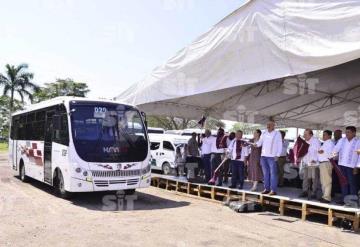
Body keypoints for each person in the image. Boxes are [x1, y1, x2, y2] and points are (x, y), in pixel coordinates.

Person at [332, 126, 359, 205]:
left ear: (354, 133)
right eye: (346, 132)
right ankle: (344, 200)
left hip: (352, 166)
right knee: (343, 183)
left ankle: (352, 201)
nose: (346, 134)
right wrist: (333, 153)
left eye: (349, 132)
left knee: (352, 184)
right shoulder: (342, 140)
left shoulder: (358, 141)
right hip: (342, 165)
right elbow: (336, 148)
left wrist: (357, 166)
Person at [256, 120, 283, 195]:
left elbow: (280, 144)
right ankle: (266, 189)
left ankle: (273, 190)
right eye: (267, 124)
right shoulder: (264, 133)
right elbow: (259, 143)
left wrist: (278, 155)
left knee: (273, 174)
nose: (268, 125)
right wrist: (256, 144)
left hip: (272, 156)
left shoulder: (277, 133)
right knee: (265, 173)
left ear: (274, 125)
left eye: (270, 124)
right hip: (263, 156)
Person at [299, 129, 321, 199]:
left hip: (313, 162)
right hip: (306, 162)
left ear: (311, 135)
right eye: (304, 134)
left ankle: (314, 192)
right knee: (305, 178)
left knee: (314, 178)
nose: (304, 136)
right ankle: (305, 191)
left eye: (306, 134)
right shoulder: (304, 141)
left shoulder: (316, 141)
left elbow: (319, 151)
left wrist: (315, 160)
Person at [318, 130, 335, 203]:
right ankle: (324, 196)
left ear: (329, 136)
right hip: (322, 163)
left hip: (326, 162)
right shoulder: (325, 143)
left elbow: (331, 154)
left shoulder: (330, 143)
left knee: (327, 181)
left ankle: (327, 197)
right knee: (323, 181)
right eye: (323, 134)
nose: (323, 136)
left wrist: (322, 152)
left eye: (325, 135)